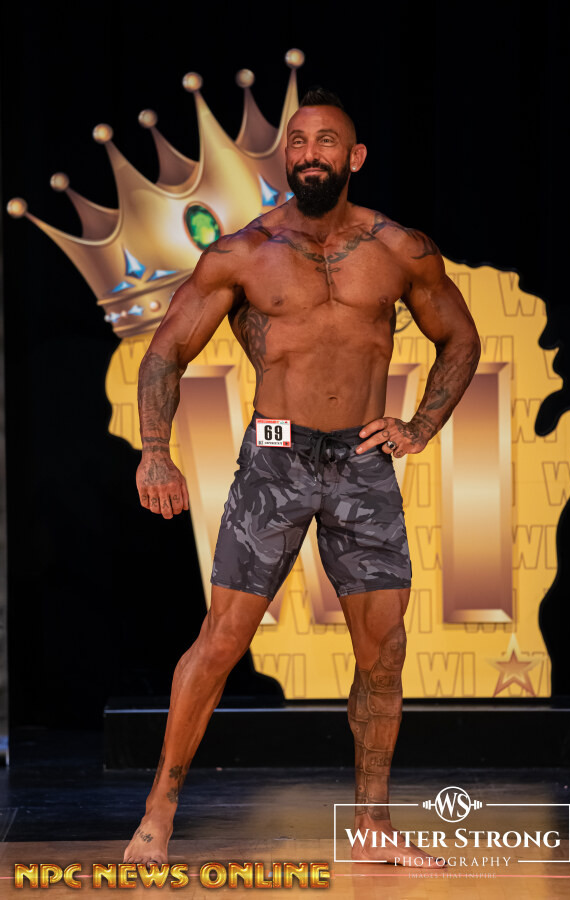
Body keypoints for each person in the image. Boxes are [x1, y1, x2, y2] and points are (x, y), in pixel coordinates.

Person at [124, 88, 480, 866]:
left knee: (383, 650)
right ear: (286, 157)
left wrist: (420, 425)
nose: (309, 153)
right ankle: (157, 813)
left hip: (362, 464)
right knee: (222, 639)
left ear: (354, 157)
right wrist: (154, 449)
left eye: (326, 141)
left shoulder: (401, 249)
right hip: (276, 459)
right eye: (297, 141)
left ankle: (373, 826)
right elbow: (166, 351)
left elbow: (461, 338)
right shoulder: (243, 252)